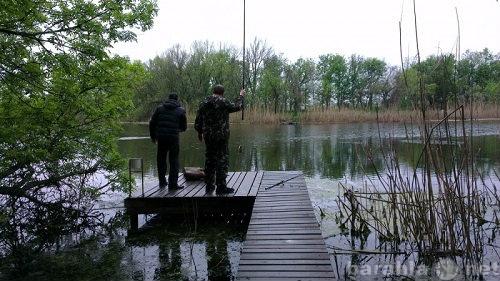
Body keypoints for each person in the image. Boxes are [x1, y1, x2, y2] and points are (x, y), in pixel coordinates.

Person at [194, 84, 245, 194]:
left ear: (213, 91)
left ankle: (209, 185)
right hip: (221, 136)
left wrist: (199, 132)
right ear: (222, 93)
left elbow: (198, 120)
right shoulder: (223, 102)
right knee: (222, 160)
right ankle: (221, 187)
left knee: (209, 159)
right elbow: (237, 106)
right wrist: (241, 96)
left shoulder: (204, 102)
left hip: (208, 136)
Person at [149, 92, 187, 189]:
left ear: (168, 99)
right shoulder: (181, 110)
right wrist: (176, 130)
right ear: (177, 100)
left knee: (161, 160)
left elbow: (152, 123)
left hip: (161, 138)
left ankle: (162, 182)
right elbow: (184, 127)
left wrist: (153, 137)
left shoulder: (159, 108)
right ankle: (173, 184)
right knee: (174, 161)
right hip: (173, 139)